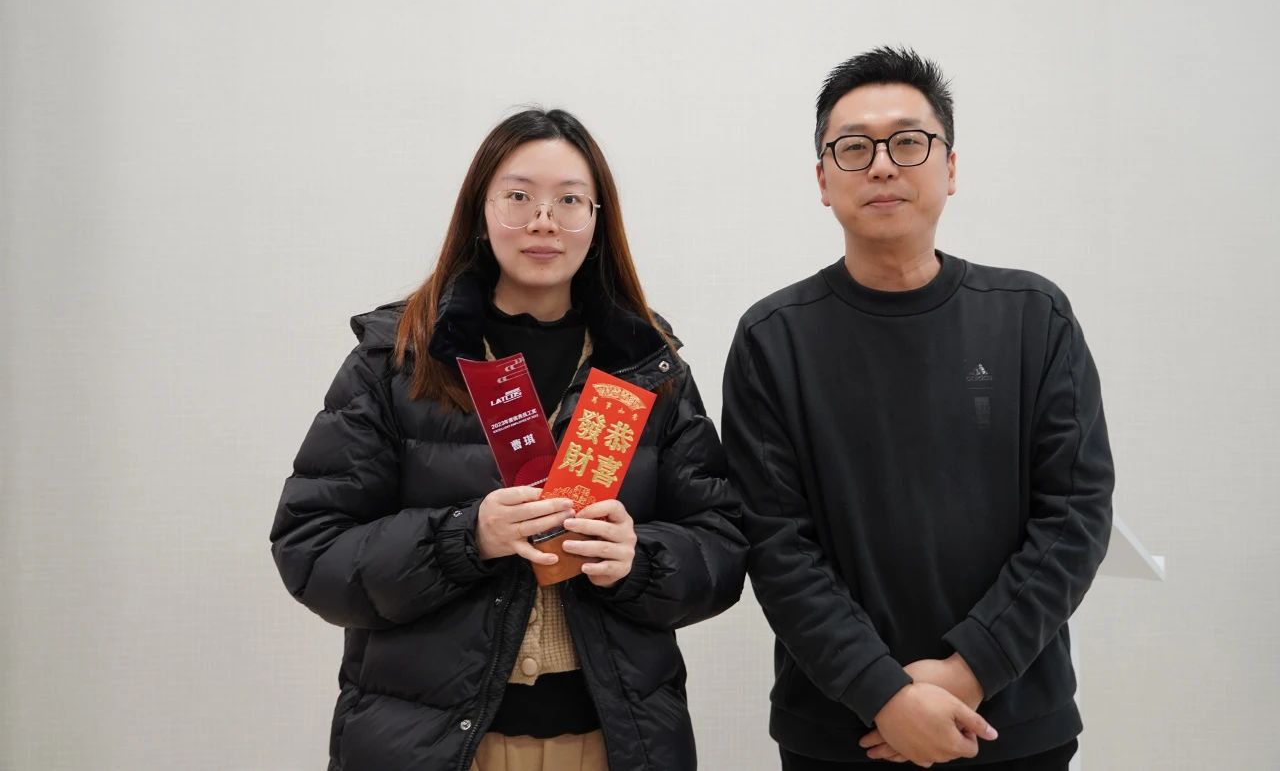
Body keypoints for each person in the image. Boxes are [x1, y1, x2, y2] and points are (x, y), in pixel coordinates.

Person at [271, 108, 746, 771]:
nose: (544, 221)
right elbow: (311, 550)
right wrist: (464, 537)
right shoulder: (398, 359)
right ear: (481, 210)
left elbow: (722, 545)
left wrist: (640, 559)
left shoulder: (645, 365)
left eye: (569, 200)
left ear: (598, 219)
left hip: (610, 745)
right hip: (433, 748)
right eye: (519, 197)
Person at [722, 47, 1114, 769]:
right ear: (823, 179)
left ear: (950, 168)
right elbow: (776, 545)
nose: (882, 166)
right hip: (843, 733)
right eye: (854, 147)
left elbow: (1075, 514)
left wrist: (968, 671)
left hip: (1012, 724)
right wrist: (886, 696)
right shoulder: (773, 339)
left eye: (908, 142)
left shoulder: (1032, 316)